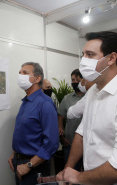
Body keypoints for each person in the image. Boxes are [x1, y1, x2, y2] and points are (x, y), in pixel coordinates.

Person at [56, 31, 117, 185]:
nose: (83, 61)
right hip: (88, 179)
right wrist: (68, 169)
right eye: (83, 55)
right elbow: (82, 133)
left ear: (111, 58)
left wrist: (77, 177)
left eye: (90, 55)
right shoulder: (92, 92)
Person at [8, 62, 59, 185]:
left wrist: (29, 165)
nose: (21, 75)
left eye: (25, 73)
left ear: (37, 78)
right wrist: (15, 154)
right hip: (19, 162)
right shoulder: (26, 102)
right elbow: (25, 132)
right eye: (20, 73)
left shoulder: (45, 103)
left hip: (34, 166)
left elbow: (51, 143)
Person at [58, 69, 84, 171]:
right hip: (70, 143)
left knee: (87, 175)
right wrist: (61, 130)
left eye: (77, 80)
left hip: (88, 145)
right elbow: (60, 116)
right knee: (70, 172)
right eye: (72, 80)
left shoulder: (91, 97)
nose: (74, 82)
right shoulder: (66, 98)